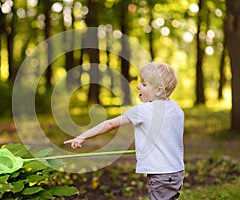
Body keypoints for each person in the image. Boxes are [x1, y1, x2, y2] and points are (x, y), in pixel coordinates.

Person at [64, 62, 185, 200]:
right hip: (177, 173)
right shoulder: (177, 109)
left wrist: (82, 137)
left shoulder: (143, 111)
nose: (138, 86)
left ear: (158, 90)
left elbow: (110, 124)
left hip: (160, 175)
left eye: (144, 84)